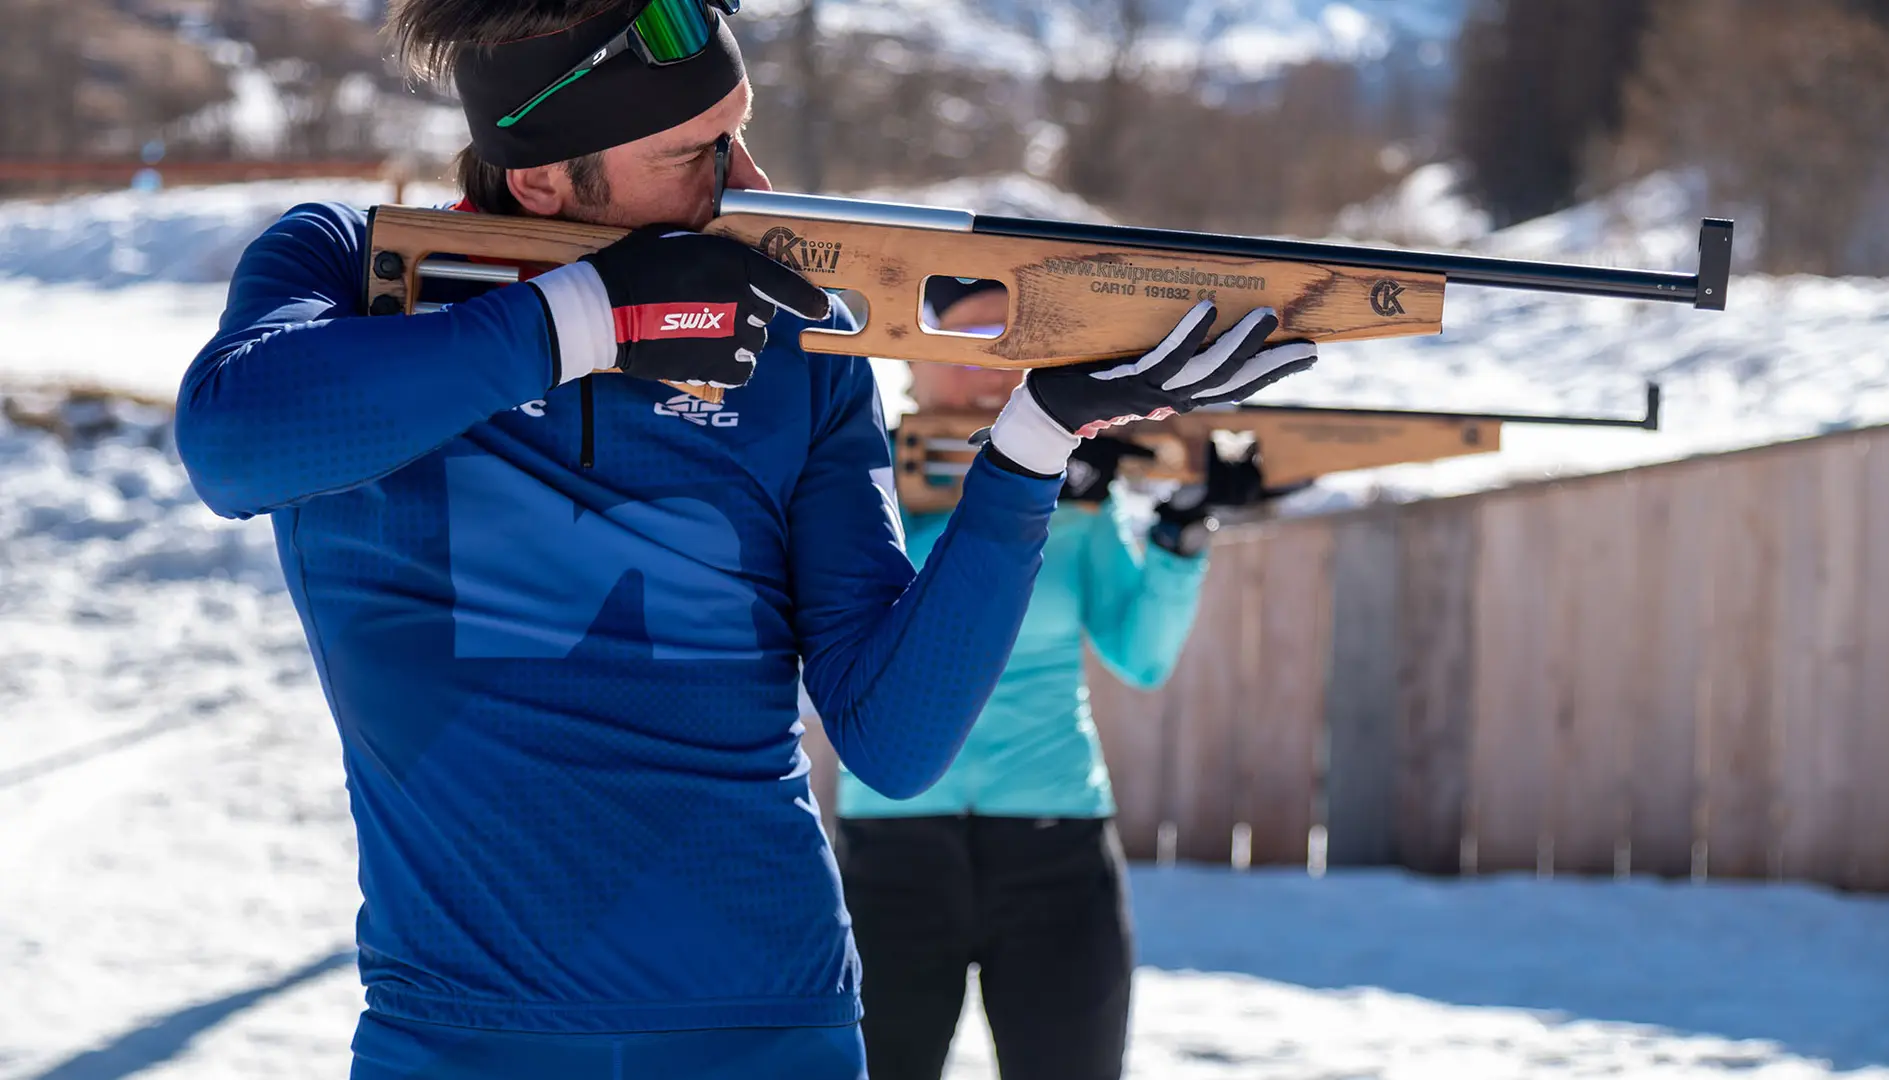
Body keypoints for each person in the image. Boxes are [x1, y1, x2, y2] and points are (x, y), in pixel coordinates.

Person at [170, 0, 1318, 1075]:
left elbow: (894, 736)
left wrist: (1029, 445)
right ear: (539, 177)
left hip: (772, 1024)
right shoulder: (349, 272)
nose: (751, 185)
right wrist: (594, 319)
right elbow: (239, 441)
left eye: (740, 136)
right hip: (460, 1032)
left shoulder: (786, 352)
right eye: (695, 155)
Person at [834, 279, 1281, 1080]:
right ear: (912, 364)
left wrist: (1183, 528)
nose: (993, 371)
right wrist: (1009, 493)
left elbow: (1142, 656)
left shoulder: (1079, 504)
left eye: (1016, 347)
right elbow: (871, 616)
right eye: (968, 347)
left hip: (1058, 845)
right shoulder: (860, 485)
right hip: (893, 851)